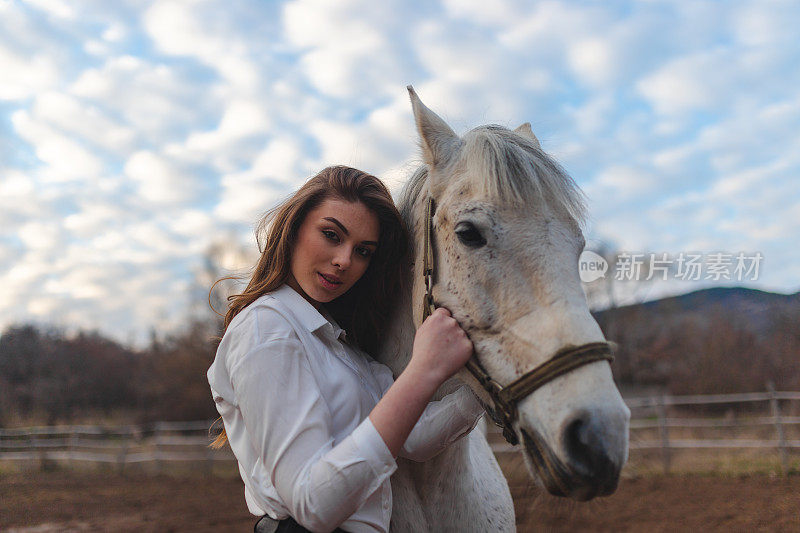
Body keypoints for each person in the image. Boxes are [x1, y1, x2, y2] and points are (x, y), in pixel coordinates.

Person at [207, 166, 484, 533]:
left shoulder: (340, 345)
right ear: (294, 229)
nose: (344, 261)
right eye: (331, 234)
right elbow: (313, 504)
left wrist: (488, 386)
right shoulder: (268, 328)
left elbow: (414, 437)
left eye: (363, 251)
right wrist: (424, 369)